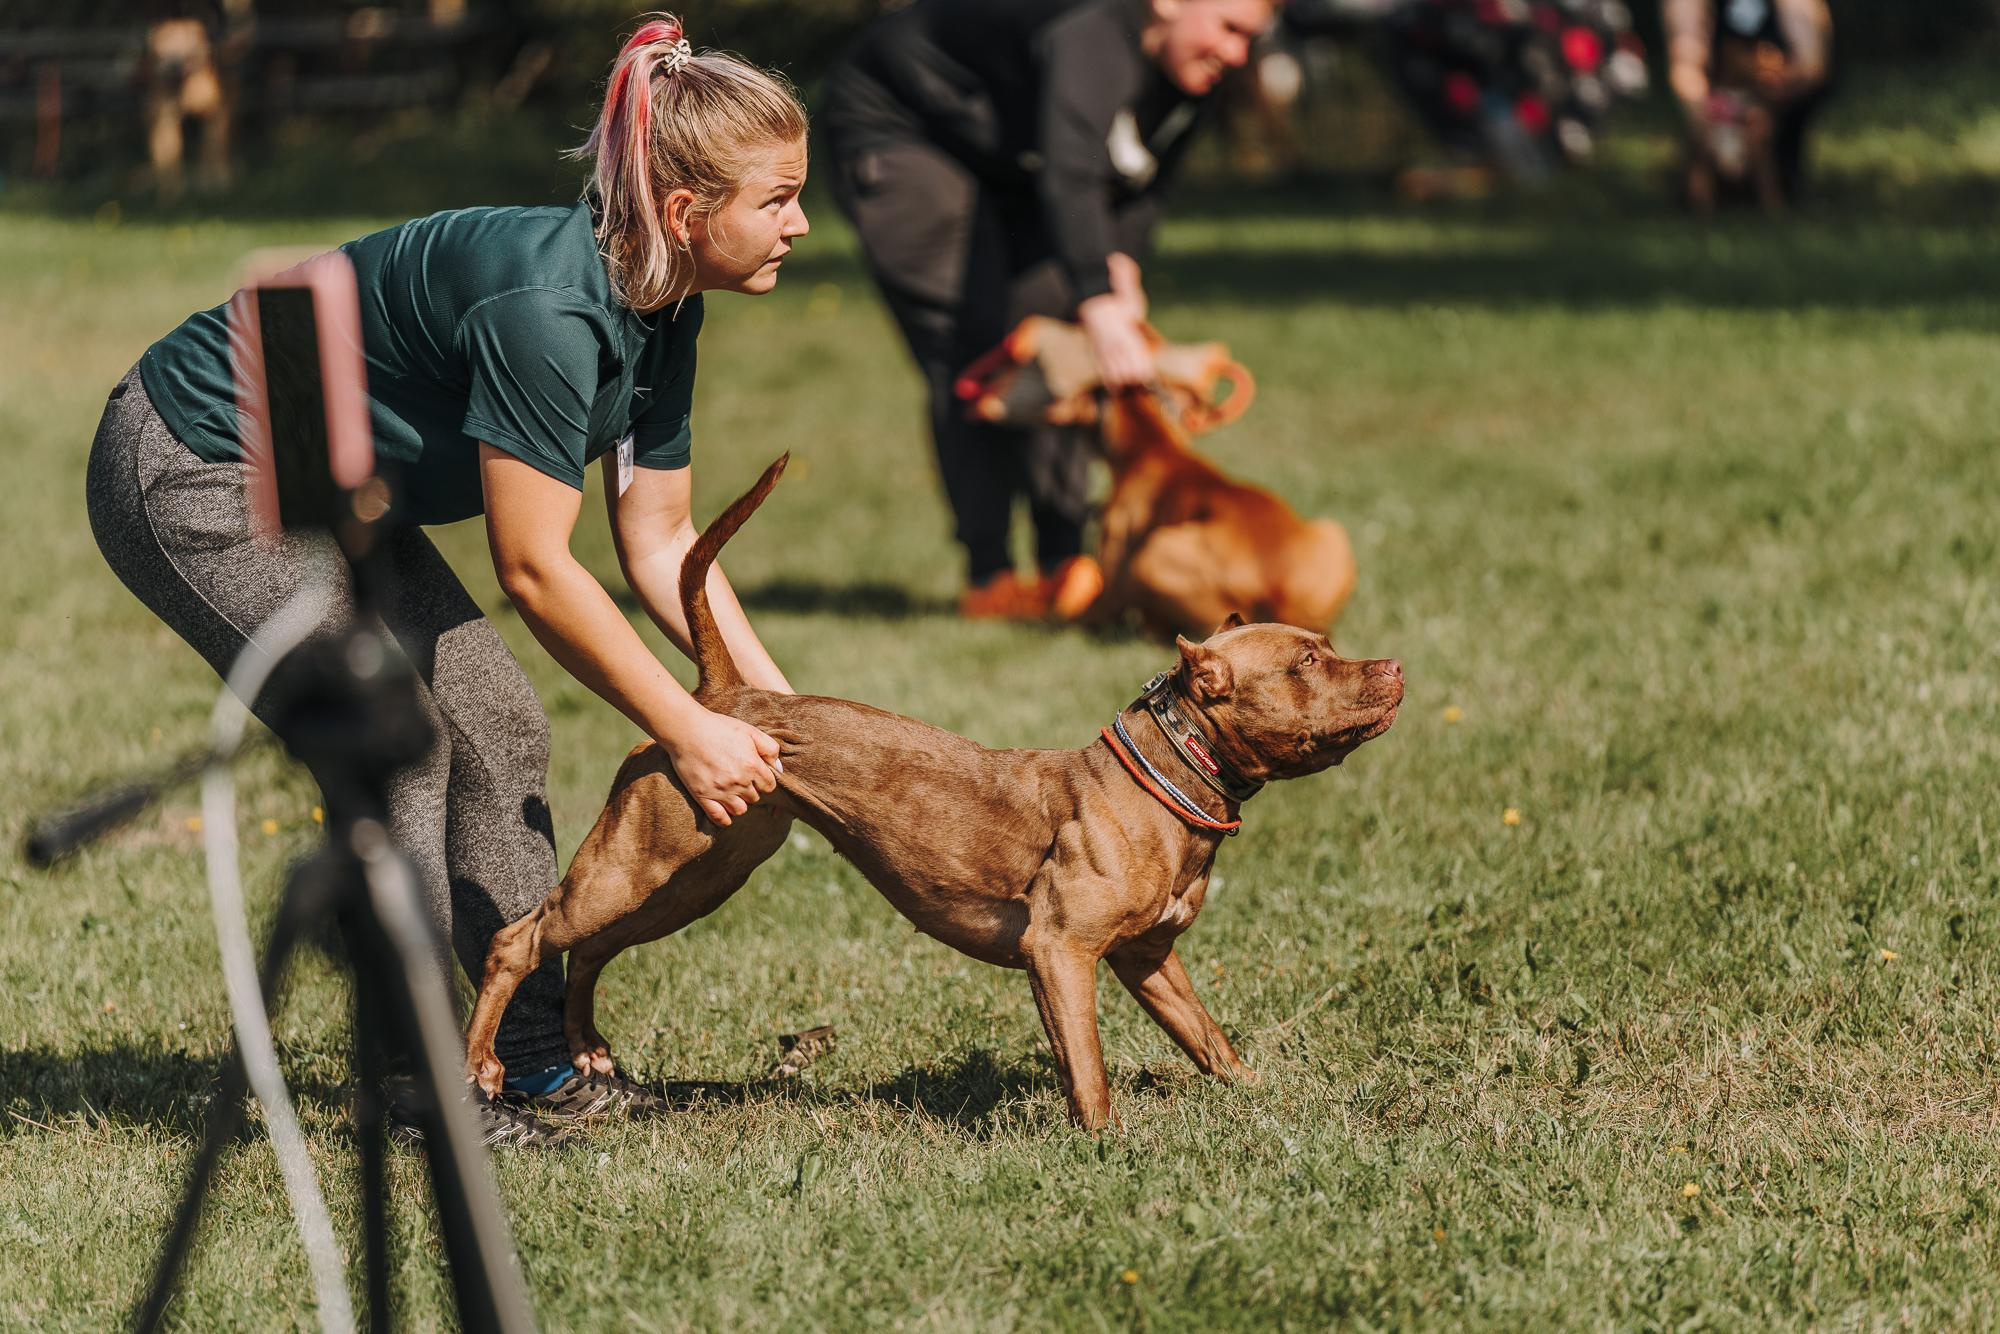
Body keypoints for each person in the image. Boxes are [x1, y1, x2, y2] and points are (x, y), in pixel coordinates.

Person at [84, 15, 806, 1145]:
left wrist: (777, 712)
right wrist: (684, 725)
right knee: (405, 743)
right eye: (777, 200)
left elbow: (659, 538)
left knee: (500, 724)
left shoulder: (663, 309)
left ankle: (523, 1057)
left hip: (325, 467)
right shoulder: (550, 314)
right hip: (199, 458)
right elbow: (533, 569)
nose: (801, 223)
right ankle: (415, 1088)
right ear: (684, 212)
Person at [821, 0, 1276, 619]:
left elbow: (1142, 183)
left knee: (1064, 349)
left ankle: (1064, 562)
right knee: (977, 349)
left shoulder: (1192, 70)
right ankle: (992, 577)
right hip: (905, 127)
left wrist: (1121, 269)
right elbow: (1070, 170)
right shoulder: (1090, 29)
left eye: (1251, 38)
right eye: (1229, 28)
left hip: (1004, 154)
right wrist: (1097, 292)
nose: (1238, 53)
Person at [1666, 0, 1833, 206]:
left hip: (1774, 100)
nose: (1768, 55)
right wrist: (1703, 111)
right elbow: (1686, 58)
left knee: (1764, 150)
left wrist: (1776, 91)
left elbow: (1811, 66)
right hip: (1717, 96)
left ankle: (1776, 184)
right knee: (1703, 155)